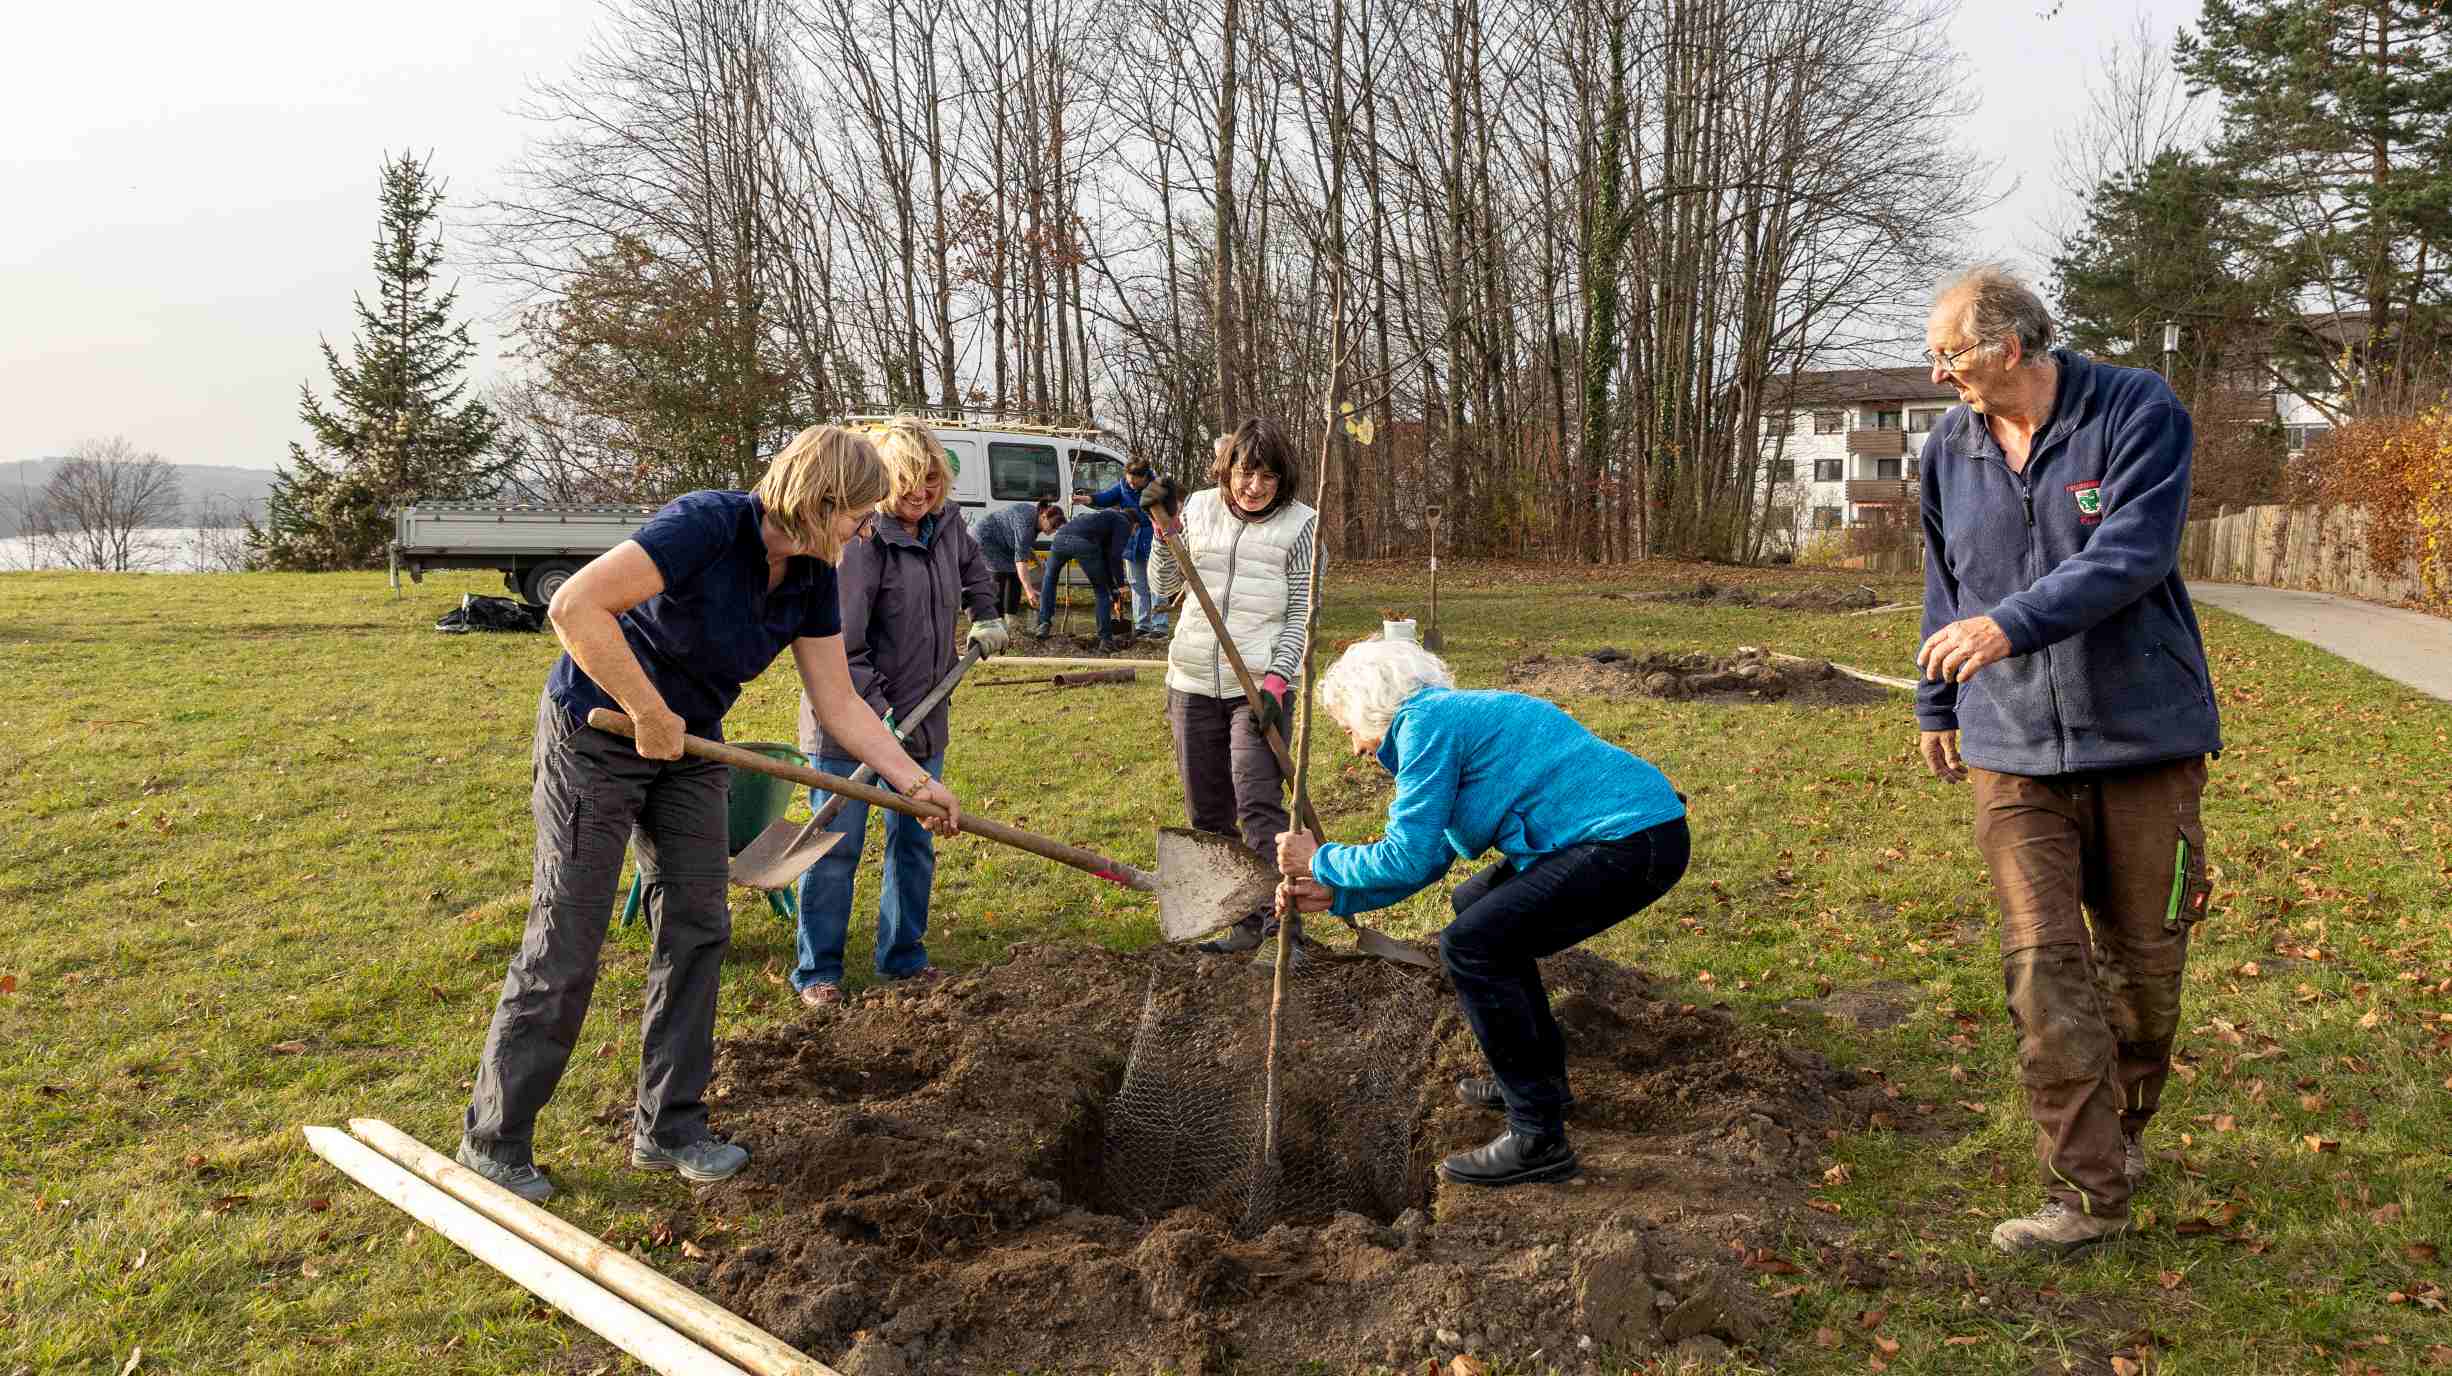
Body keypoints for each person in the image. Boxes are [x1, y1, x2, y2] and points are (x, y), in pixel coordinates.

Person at [459, 425, 964, 1203]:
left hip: (692, 746)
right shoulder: (705, 525)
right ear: (819, 500)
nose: (866, 528)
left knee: (698, 926)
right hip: (599, 729)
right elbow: (574, 606)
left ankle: (669, 1126)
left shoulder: (810, 575)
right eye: (857, 514)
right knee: (570, 931)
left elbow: (839, 701)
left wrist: (908, 782)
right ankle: (496, 1138)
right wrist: (646, 706)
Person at [1914, 265, 2219, 1257]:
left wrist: (2006, 626)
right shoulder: (1947, 448)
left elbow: (2131, 553)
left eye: (1947, 353)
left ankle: (2122, 1134)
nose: (1937, 374)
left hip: (2141, 739)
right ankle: (2085, 1193)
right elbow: (1941, 579)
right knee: (2043, 964)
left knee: (2143, 972)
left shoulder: (2136, 410)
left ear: (2006, 348)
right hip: (2011, 750)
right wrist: (1935, 695)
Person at [1275, 638, 1689, 1188]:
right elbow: (1428, 860)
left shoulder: (1427, 728)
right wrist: (1338, 894)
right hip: (1633, 836)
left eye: (1348, 729)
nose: (1353, 748)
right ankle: (1542, 1082)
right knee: (1476, 908)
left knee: (1474, 944)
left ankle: (1537, 1136)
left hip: (1628, 842)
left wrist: (1321, 858)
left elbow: (1408, 853)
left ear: (1370, 705)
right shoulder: (1449, 722)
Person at [793, 419, 1007, 1008]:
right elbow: (841, 646)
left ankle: (903, 958)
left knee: (915, 840)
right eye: (909, 483)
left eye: (932, 482)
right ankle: (819, 973)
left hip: (926, 716)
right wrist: (878, 713)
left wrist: (986, 613)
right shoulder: (860, 543)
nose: (922, 494)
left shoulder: (947, 526)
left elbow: (974, 570)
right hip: (851, 723)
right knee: (835, 846)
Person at [1143, 420, 1318, 954]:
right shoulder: (1196, 509)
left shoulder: (1301, 525)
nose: (1255, 487)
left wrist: (1275, 682)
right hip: (1192, 680)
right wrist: (1163, 532)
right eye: (1246, 473)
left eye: (1268, 476)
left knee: (1258, 803)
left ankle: (1281, 929)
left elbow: (1302, 615)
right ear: (1228, 470)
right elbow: (1163, 585)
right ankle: (1243, 920)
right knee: (1208, 810)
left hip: (1257, 687)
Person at [1032, 503, 1136, 650]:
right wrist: (1120, 585)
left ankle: (1044, 623)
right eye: (1135, 531)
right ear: (1134, 524)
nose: (1132, 534)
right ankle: (1105, 640)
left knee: (1050, 579)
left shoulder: (1103, 519)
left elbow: (1105, 559)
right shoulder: (1123, 522)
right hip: (1084, 544)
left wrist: (1114, 589)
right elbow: (1115, 557)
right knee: (1100, 591)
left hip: (1060, 539)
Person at [1081, 458, 1164, 636]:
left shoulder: (1157, 487)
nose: (1131, 484)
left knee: (1157, 584)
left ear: (1144, 478)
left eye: (1134, 481)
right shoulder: (1123, 486)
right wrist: (1087, 499)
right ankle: (1142, 625)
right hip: (1132, 541)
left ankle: (1160, 626)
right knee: (1137, 584)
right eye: (1128, 480)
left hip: (1154, 539)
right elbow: (1106, 497)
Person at [975, 498, 1064, 619]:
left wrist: (1036, 558)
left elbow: (1022, 544)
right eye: (1053, 526)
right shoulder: (1026, 525)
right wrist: (1029, 590)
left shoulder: (1035, 517)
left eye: (1056, 528)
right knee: (999, 576)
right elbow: (1021, 559)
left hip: (1003, 542)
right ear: (1043, 516)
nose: (1053, 531)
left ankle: (1011, 618)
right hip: (986, 539)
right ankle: (996, 620)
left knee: (1015, 576)